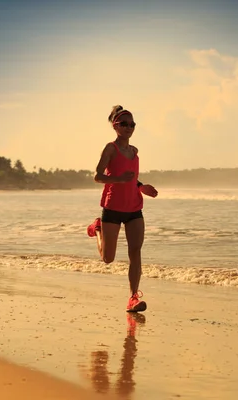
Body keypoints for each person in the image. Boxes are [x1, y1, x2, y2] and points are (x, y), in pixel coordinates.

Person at [87, 105, 158, 313]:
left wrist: (141, 186)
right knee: (108, 259)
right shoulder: (111, 148)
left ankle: (133, 298)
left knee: (135, 252)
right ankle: (97, 228)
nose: (129, 127)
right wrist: (117, 179)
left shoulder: (134, 151)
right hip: (112, 208)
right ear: (115, 126)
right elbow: (97, 176)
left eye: (132, 124)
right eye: (124, 124)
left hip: (134, 207)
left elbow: (132, 178)